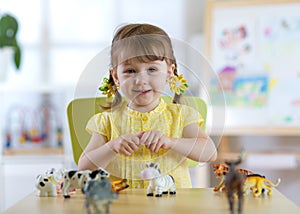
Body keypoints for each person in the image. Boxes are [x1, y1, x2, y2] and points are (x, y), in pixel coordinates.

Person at [78, 23, 217, 188]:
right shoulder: (106, 121)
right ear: (116, 77)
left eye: (152, 69)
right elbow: (83, 167)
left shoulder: (180, 116)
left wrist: (170, 142)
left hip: (174, 206)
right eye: (130, 71)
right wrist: (112, 146)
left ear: (169, 72)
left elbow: (209, 152)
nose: (141, 80)